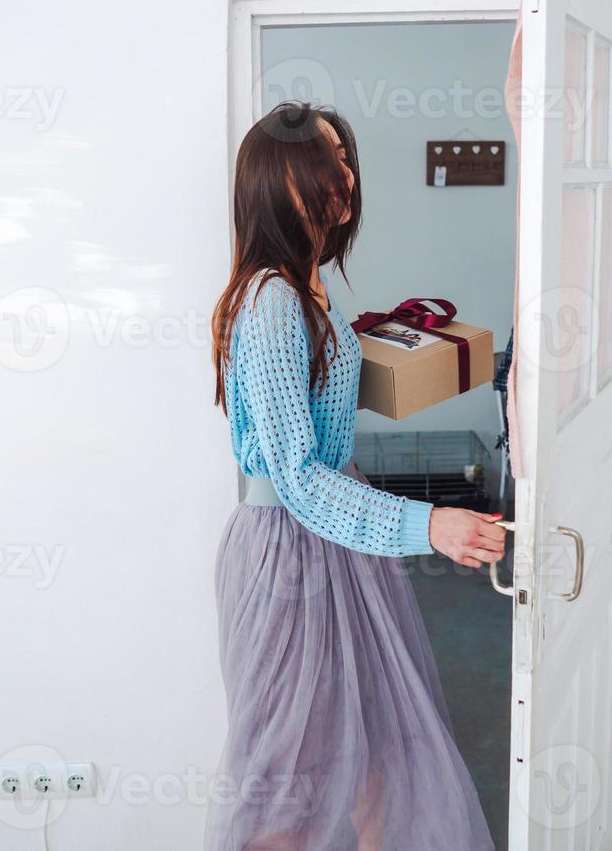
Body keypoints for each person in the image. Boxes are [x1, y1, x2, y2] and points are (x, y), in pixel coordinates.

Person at [206, 102, 504, 850]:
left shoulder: (309, 289)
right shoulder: (272, 302)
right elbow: (299, 479)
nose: (342, 173)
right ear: (277, 181)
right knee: (290, 783)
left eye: (344, 157)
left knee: (374, 756)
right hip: (288, 557)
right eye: (323, 159)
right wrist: (428, 523)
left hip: (338, 547)